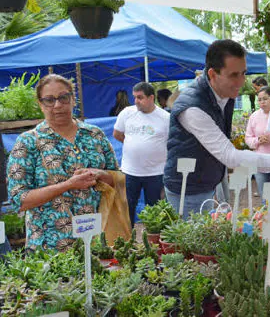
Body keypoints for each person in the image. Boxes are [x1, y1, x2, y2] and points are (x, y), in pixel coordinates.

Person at [163, 39, 270, 217]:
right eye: (234, 75)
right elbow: (230, 156)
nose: (241, 81)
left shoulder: (224, 92)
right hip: (186, 189)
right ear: (213, 74)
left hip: (205, 182)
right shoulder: (192, 108)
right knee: (192, 242)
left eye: (243, 73)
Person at [7, 74, 119, 252]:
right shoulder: (28, 142)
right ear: (40, 104)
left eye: (63, 98)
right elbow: (19, 200)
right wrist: (68, 185)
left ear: (73, 100)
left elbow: (117, 178)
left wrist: (100, 174)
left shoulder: (94, 134)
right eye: (49, 100)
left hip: (96, 240)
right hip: (49, 246)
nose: (58, 105)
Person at [113, 82, 170, 227]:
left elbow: (172, 142)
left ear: (151, 98)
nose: (136, 101)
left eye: (140, 97)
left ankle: (154, 242)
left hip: (156, 172)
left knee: (155, 210)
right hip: (130, 171)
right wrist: (135, 145)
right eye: (135, 97)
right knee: (128, 207)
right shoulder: (127, 113)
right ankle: (128, 241)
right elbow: (117, 134)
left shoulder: (165, 117)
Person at [245, 86, 270, 204]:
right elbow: (248, 138)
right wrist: (258, 140)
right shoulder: (254, 116)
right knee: (264, 200)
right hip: (259, 163)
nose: (262, 102)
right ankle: (265, 221)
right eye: (259, 99)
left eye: (265, 99)